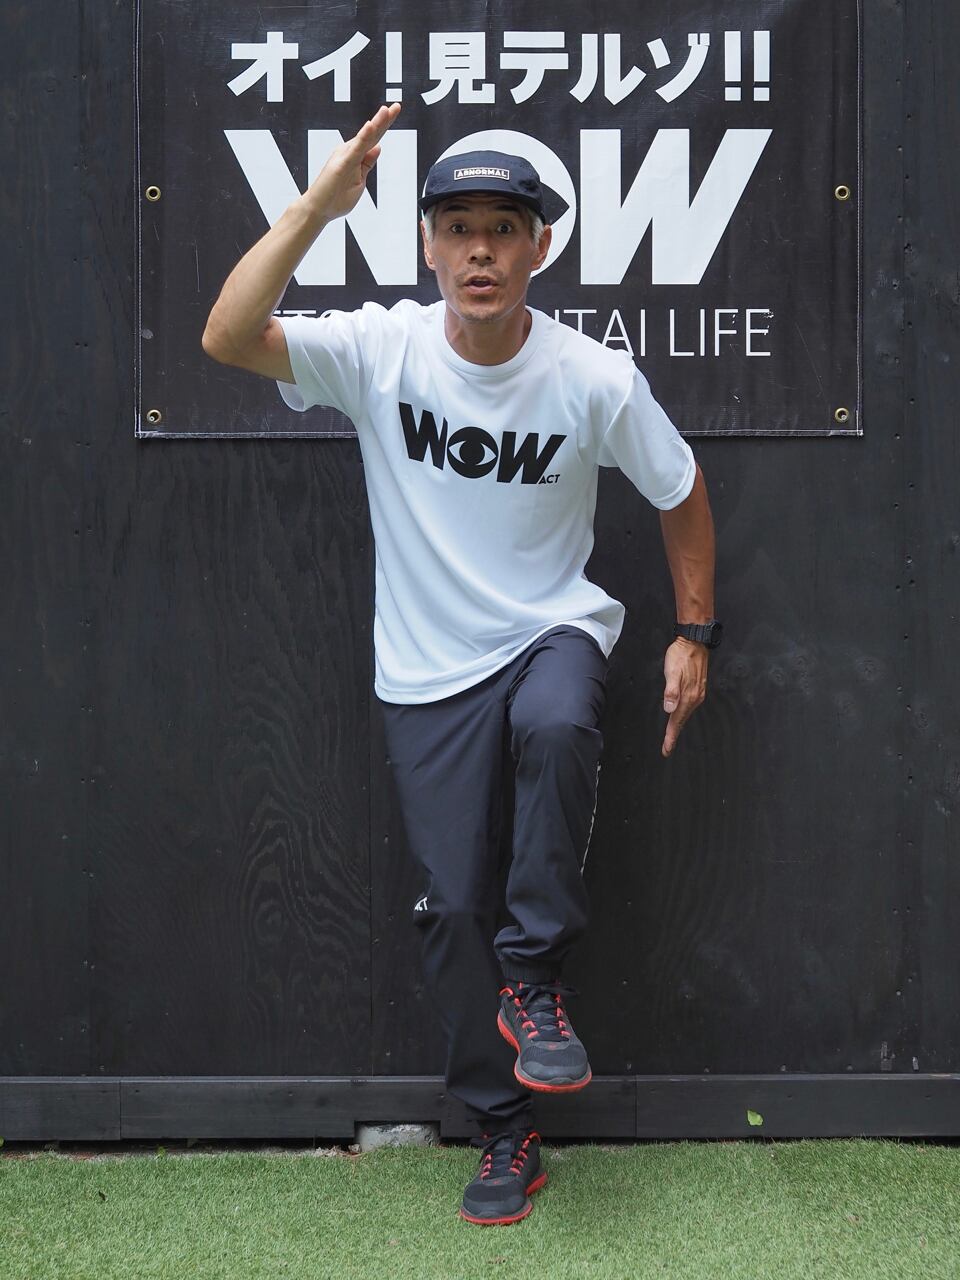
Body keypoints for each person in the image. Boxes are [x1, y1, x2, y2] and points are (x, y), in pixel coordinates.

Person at [202, 103, 719, 1226]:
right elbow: (229, 336)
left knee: (558, 718)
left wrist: (695, 632)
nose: (480, 250)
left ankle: (533, 976)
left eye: (503, 229)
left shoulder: (593, 376)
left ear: (540, 247)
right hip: (426, 670)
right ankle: (503, 1128)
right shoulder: (380, 349)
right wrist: (316, 209)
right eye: (458, 229)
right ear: (428, 246)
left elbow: (680, 490)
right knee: (446, 911)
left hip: (549, 630)